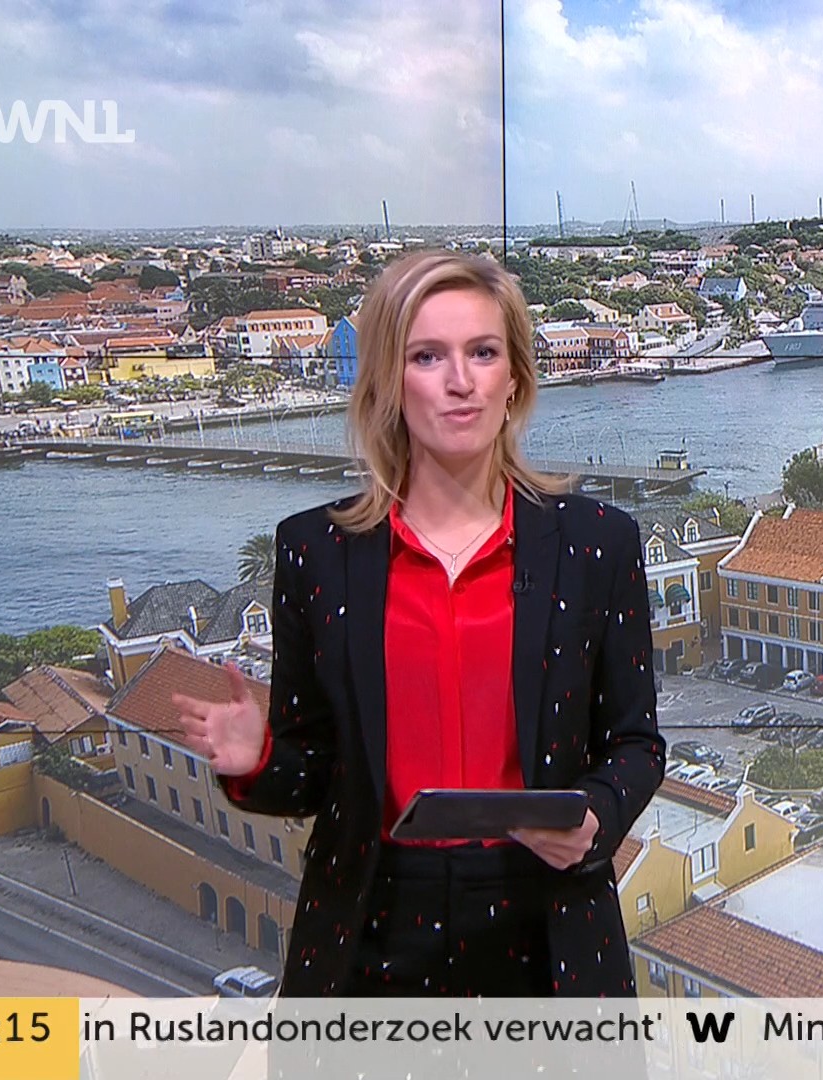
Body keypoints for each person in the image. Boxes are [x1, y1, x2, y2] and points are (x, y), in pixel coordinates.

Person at [171, 250, 664, 997]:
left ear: (515, 378)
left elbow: (635, 743)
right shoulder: (314, 552)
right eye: (427, 356)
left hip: (551, 928)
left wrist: (595, 815)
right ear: (387, 383)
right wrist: (256, 759)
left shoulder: (598, 545)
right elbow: (313, 774)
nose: (461, 381)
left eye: (483, 353)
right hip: (368, 929)